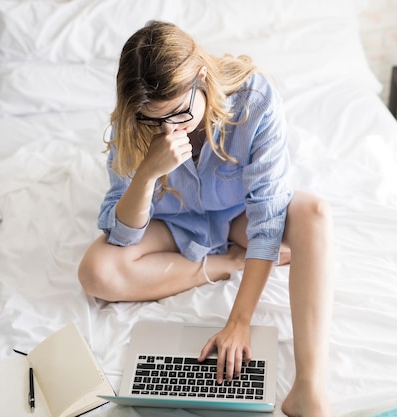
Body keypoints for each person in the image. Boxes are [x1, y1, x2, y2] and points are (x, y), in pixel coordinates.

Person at [78, 20, 335, 417]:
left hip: (239, 219)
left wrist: (239, 321)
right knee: (96, 272)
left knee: (314, 216)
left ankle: (308, 388)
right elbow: (123, 235)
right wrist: (148, 171)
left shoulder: (255, 99)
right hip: (172, 224)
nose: (169, 130)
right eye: (153, 120)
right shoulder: (132, 122)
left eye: (179, 114)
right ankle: (226, 262)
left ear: (201, 77)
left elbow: (266, 220)